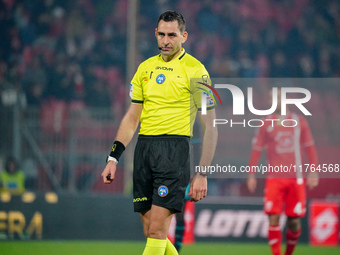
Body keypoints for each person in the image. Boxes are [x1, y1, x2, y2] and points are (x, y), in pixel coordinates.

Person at [101, 11, 217, 255]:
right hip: (144, 151)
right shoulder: (145, 69)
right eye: (162, 34)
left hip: (174, 152)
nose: (166, 40)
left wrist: (202, 173)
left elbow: (211, 126)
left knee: (156, 232)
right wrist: (113, 158)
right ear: (155, 34)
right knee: (152, 232)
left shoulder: (197, 71)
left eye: (172, 35)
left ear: (183, 36)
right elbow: (132, 119)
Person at [246, 87, 319, 255]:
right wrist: (251, 174)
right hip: (274, 178)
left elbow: (309, 148)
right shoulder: (265, 122)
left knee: (294, 222)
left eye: (276, 97)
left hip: (296, 178)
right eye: (271, 97)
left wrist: (313, 171)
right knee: (273, 217)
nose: (273, 101)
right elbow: (256, 150)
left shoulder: (299, 121)